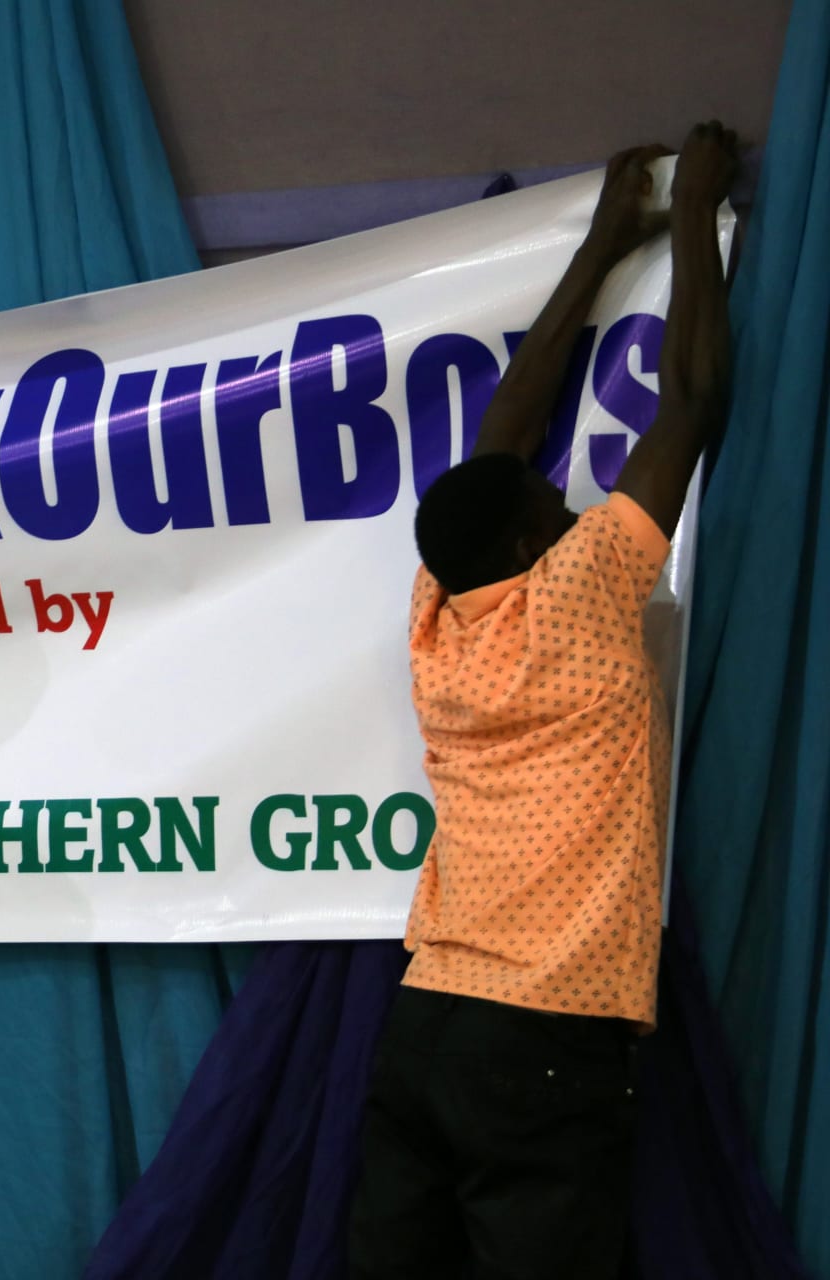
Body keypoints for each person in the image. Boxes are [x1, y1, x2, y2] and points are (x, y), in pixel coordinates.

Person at [347, 122, 739, 1280]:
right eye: (555, 508)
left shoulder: (438, 609)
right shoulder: (578, 590)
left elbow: (497, 440)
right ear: (535, 542)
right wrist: (693, 223)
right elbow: (694, 403)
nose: (573, 507)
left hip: (425, 1019)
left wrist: (607, 240)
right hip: (548, 1041)